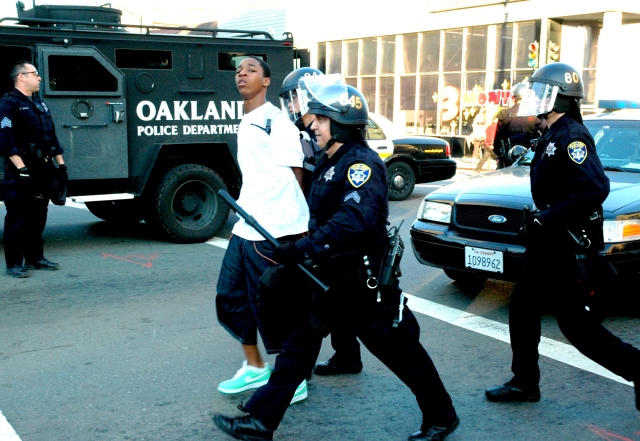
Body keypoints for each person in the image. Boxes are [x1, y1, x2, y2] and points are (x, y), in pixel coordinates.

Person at [213, 80, 459, 441]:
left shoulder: (361, 164)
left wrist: (301, 248)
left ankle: (442, 416)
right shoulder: (330, 161)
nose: (313, 125)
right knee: (297, 347)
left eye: (321, 120)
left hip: (362, 283)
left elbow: (351, 222)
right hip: (331, 280)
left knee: (400, 351)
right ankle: (260, 422)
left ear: (341, 123)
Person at [485, 62, 640, 412]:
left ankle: (637, 368)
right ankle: (524, 381)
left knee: (576, 327)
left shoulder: (572, 136)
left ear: (559, 97)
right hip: (547, 242)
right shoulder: (553, 131)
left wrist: (548, 217)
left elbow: (595, 188)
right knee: (523, 310)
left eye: (542, 92)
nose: (536, 98)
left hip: (560, 245)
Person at [215, 56, 310, 403]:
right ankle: (255, 367)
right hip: (247, 225)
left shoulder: (276, 122)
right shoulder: (247, 120)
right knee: (230, 298)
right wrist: (243, 220)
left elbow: (297, 175)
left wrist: (294, 230)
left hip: (272, 229)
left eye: (251, 69)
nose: (242, 73)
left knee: (272, 307)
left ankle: (292, 378)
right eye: (239, 70)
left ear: (267, 81)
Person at [279, 67, 364, 376]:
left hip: (330, 234)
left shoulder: (325, 133)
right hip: (319, 230)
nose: (291, 106)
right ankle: (345, 356)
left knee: (324, 301)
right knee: (330, 298)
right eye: (288, 100)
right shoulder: (304, 132)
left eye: (295, 98)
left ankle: (296, 373)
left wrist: (308, 236)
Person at [1, 61, 66, 278]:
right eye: (35, 74)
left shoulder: (40, 105)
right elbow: (6, 138)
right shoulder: (8, 104)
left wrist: (61, 164)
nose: (39, 78)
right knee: (18, 216)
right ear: (22, 77)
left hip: (43, 168)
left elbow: (51, 136)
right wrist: (21, 168)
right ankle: (14, 263)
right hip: (21, 169)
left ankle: (35, 258)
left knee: (39, 214)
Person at [494, 82, 541, 168]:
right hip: (531, 158)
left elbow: (498, 137)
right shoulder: (535, 114)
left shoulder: (504, 114)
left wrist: (498, 155)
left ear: (514, 97)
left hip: (509, 158)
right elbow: (547, 132)